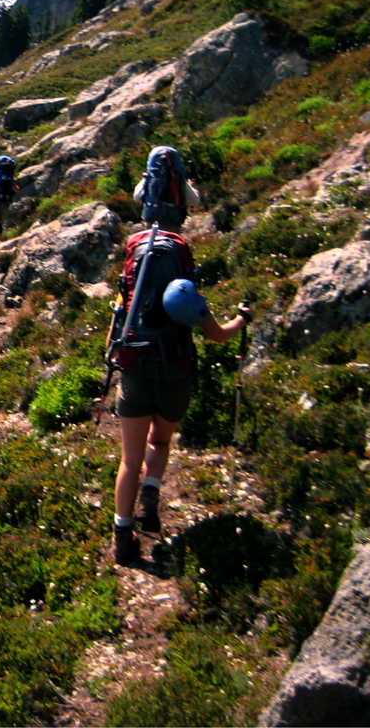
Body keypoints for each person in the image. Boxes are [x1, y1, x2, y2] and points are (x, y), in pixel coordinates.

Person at [108, 163, 253, 564]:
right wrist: (242, 318)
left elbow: (123, 304)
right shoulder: (181, 251)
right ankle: (151, 495)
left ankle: (122, 537)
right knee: (160, 440)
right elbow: (216, 333)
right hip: (175, 365)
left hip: (134, 360)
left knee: (128, 459)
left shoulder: (135, 246)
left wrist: (115, 355)